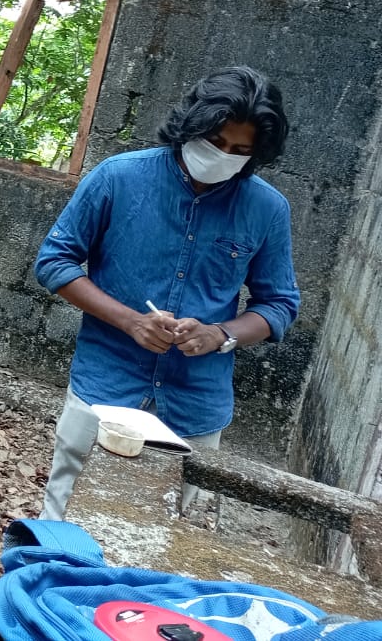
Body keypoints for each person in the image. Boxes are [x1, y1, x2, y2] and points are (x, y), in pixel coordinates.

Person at [33, 66, 299, 519]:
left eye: (240, 151)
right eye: (214, 142)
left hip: (194, 408)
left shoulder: (267, 209)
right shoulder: (118, 178)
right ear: (190, 126)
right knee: (64, 519)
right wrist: (130, 321)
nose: (223, 156)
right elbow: (54, 262)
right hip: (105, 387)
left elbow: (279, 304)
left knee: (157, 531)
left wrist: (220, 335)